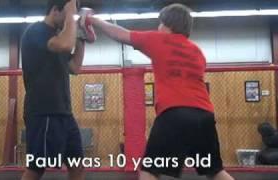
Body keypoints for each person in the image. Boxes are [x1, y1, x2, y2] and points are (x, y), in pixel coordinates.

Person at [84, 3, 235, 180]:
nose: (158, 27)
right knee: (214, 170)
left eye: (160, 23)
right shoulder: (197, 52)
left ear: (168, 25)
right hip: (204, 114)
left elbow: (120, 34)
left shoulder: (158, 39)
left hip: (174, 112)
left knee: (149, 170)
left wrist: (92, 19)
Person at [20, 0, 95, 179]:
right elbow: (65, 45)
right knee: (37, 168)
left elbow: (75, 67)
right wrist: (71, 14)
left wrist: (81, 36)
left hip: (64, 113)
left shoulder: (59, 37)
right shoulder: (36, 31)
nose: (69, 19)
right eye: (66, 14)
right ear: (55, 10)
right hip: (43, 112)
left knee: (77, 165)